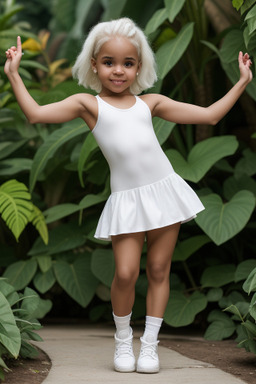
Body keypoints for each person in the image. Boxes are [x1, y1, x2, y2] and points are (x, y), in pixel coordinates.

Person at [5, 17, 252, 374]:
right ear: (94, 64)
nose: (118, 71)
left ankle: (149, 345)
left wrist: (243, 80)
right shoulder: (88, 105)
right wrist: (14, 72)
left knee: (158, 269)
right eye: (109, 63)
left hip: (164, 192)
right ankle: (124, 340)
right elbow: (35, 114)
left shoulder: (150, 103)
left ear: (139, 67)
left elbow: (211, 116)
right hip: (126, 200)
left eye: (128, 63)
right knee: (123, 273)